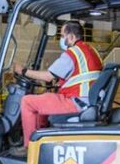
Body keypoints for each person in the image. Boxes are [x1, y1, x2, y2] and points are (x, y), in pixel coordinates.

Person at [13, 20, 103, 156]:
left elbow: (48, 76)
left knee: (27, 101)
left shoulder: (72, 53)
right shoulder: (91, 50)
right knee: (44, 99)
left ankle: (29, 148)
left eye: (62, 36)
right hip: (87, 100)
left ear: (71, 37)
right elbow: (79, 75)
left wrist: (23, 71)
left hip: (77, 102)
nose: (61, 39)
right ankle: (42, 139)